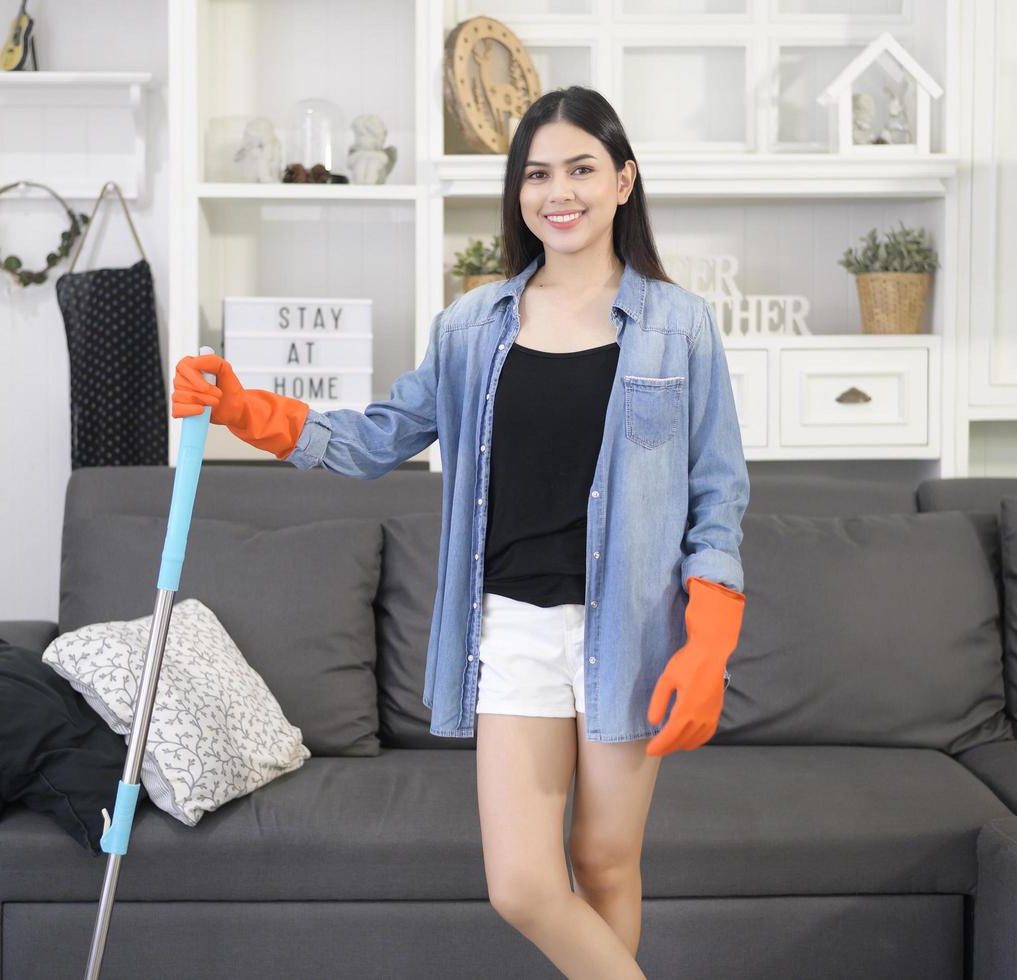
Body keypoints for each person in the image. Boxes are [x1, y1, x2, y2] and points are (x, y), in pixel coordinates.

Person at [171, 85, 749, 980]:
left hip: (630, 630)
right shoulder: (471, 328)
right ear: (519, 193)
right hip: (513, 629)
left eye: (582, 169)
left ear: (624, 181)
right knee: (522, 885)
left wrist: (709, 637)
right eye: (537, 174)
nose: (559, 192)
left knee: (603, 865)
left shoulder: (679, 328)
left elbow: (717, 491)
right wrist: (248, 410)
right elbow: (373, 441)